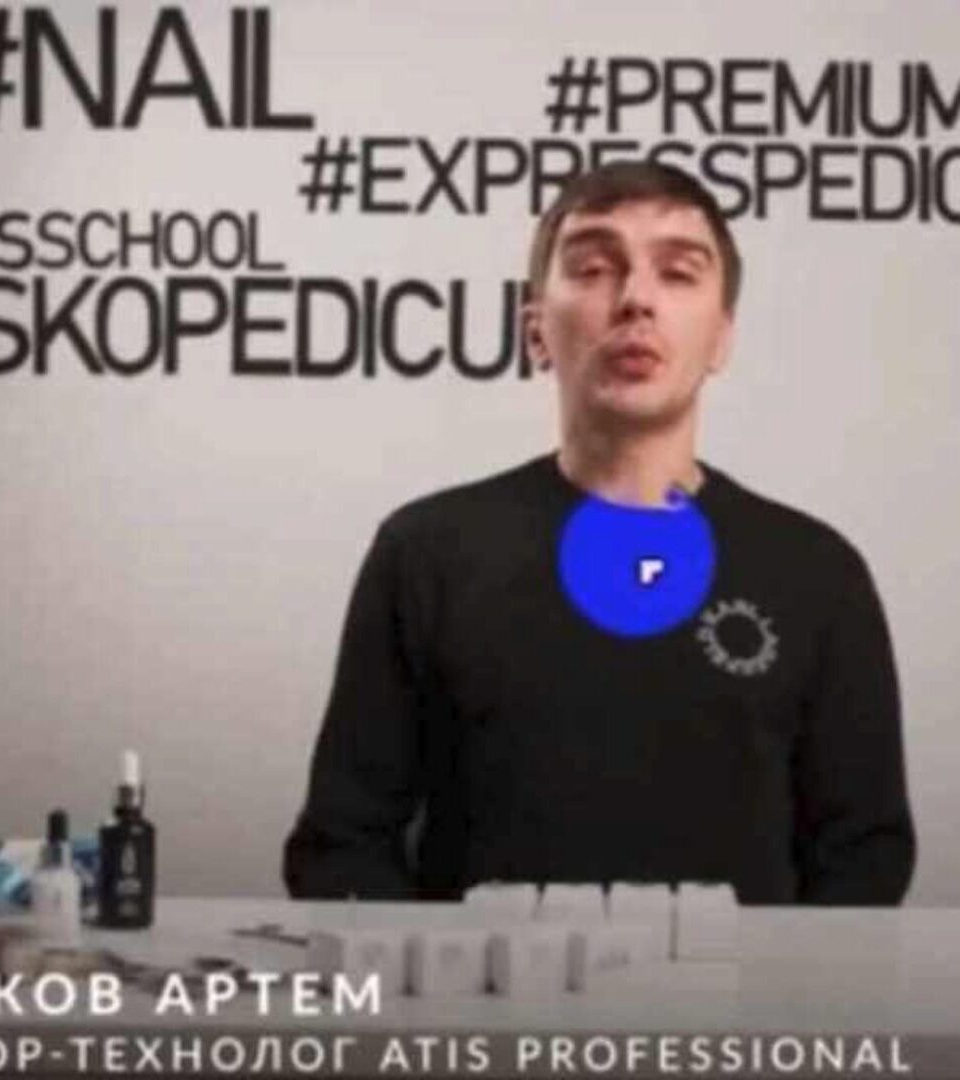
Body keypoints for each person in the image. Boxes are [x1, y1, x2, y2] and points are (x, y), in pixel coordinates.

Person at [282, 161, 914, 905]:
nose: (636, 299)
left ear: (721, 338)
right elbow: (343, 845)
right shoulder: (427, 553)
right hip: (484, 983)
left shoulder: (816, 573)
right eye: (592, 268)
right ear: (536, 331)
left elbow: (863, 859)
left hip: (740, 986)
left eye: (678, 273)